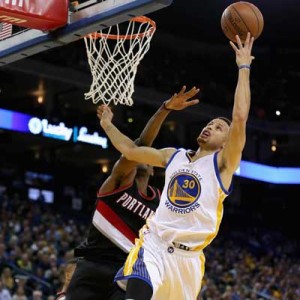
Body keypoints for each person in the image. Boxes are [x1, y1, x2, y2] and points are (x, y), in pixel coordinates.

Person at [98, 32, 255, 300]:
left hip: (189, 261)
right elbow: (130, 150)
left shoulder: (223, 165)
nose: (210, 127)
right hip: (154, 246)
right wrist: (107, 124)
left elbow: (239, 118)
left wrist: (244, 67)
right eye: (209, 124)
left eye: (218, 128)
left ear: (225, 143)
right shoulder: (174, 156)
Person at [65, 86, 199, 300]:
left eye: (149, 158)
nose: (144, 159)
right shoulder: (119, 182)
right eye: (141, 157)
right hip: (93, 267)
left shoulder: (162, 202)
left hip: (128, 273)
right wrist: (164, 109)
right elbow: (141, 145)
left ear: (154, 167)